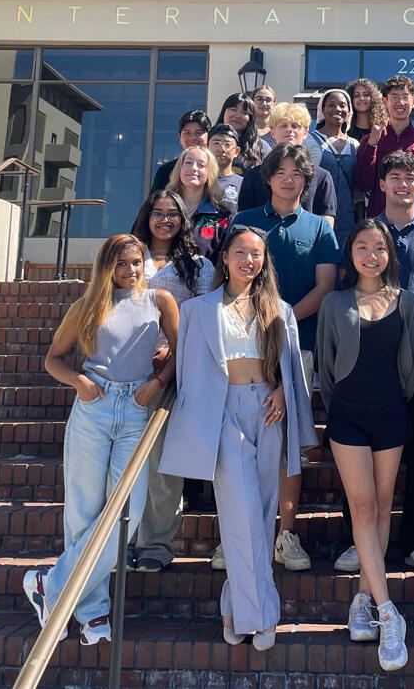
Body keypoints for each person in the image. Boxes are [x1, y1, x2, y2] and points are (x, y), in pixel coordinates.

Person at [159, 225, 316, 649]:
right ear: (224, 257)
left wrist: (282, 391)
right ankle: (260, 615)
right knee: (242, 510)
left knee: (262, 514)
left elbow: (289, 366)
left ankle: (232, 600)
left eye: (258, 254)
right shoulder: (197, 311)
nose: (250, 260)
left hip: (268, 409)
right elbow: (190, 375)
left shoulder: (279, 309)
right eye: (242, 252)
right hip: (221, 413)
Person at [23, 234, 179, 645]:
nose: (131, 271)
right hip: (93, 408)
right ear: (107, 266)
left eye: (136, 262)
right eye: (122, 264)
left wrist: (159, 380)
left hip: (136, 409)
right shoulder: (87, 305)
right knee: (84, 512)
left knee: (125, 513)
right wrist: (77, 381)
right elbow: (53, 358)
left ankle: (50, 584)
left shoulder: (160, 301)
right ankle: (93, 614)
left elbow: (181, 353)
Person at [334, 151, 414, 577]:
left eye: (411, 178)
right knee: (360, 460)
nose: (402, 185)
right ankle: (354, 540)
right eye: (394, 177)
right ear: (381, 184)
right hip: (370, 363)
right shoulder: (365, 236)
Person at [317, 219, 414, 671]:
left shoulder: (407, 302)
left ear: (389, 255)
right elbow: (324, 367)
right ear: (351, 254)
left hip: (390, 413)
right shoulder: (334, 303)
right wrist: (342, 400)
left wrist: (393, 400)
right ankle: (387, 613)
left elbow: (412, 364)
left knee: (383, 509)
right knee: (361, 510)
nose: (371, 254)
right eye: (362, 247)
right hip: (348, 416)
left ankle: (362, 599)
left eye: (379, 247)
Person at [229, 143, 340, 573]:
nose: (289, 178)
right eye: (281, 171)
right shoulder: (244, 222)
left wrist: (282, 319)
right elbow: (230, 280)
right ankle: (238, 534)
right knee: (242, 442)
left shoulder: (318, 228)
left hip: (300, 344)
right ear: (268, 177)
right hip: (243, 345)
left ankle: (286, 533)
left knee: (289, 442)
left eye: (297, 173)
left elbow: (325, 284)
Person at [125, 191, 217, 573]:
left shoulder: (198, 266)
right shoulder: (127, 257)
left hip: (171, 374)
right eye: (157, 213)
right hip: (122, 373)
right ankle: (121, 542)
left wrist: (171, 354)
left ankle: (155, 545)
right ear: (146, 216)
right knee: (123, 464)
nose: (165, 220)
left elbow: (206, 322)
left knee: (162, 465)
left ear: (183, 220)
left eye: (173, 214)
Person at [355, 75, 414, 217]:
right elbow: (363, 183)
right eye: (394, 97)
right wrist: (372, 145)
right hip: (379, 221)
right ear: (385, 101)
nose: (400, 102)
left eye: (405, 97)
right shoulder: (369, 140)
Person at [236, 103, 338, 225]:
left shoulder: (322, 177)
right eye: (283, 126)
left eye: (295, 126)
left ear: (306, 132)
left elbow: (326, 221)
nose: (290, 130)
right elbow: (243, 219)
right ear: (272, 132)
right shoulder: (254, 175)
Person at [308, 89, 362, 248]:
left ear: (349, 110)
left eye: (342, 105)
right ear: (322, 110)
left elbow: (358, 188)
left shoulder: (355, 145)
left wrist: (359, 219)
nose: (337, 109)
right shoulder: (309, 140)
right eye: (331, 105)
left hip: (347, 217)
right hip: (318, 212)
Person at [166, 145, 235, 246]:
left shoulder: (222, 216)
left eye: (201, 165)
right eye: (188, 162)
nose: (193, 168)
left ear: (209, 173)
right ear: (179, 168)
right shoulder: (160, 207)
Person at [151, 110, 211, 193]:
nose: (193, 137)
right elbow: (154, 203)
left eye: (199, 133)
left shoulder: (215, 168)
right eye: (187, 133)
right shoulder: (166, 171)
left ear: (209, 136)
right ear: (180, 137)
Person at [214, 92, 272, 174]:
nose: (238, 116)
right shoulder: (209, 142)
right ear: (224, 111)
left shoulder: (262, 147)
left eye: (245, 113)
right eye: (234, 110)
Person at [207, 124, 244, 208]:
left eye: (227, 144)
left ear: (236, 151)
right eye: (216, 143)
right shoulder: (199, 180)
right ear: (207, 147)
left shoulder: (243, 184)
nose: (221, 149)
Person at [346, 78, 386, 143]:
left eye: (366, 95)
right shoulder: (345, 130)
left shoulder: (382, 128)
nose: (361, 98)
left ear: (373, 98)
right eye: (356, 95)